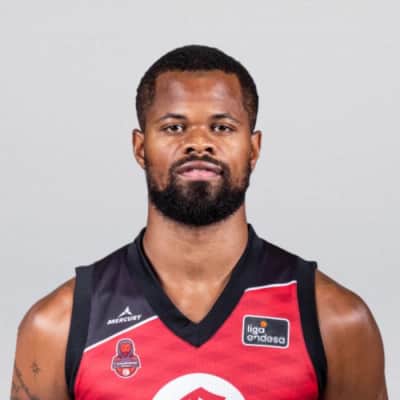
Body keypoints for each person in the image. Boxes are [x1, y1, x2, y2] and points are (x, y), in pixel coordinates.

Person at [10, 45, 387, 400]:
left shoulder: (334, 321)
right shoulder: (59, 326)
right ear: (140, 147)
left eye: (222, 127)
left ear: (253, 148)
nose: (199, 143)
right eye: (174, 127)